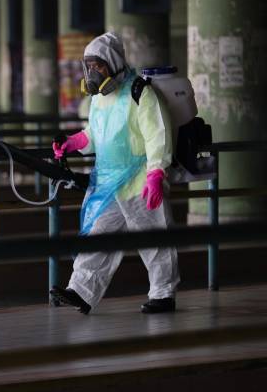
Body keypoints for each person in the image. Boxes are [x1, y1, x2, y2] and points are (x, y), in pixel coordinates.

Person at [50, 32, 179, 315]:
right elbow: (94, 135)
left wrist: (156, 173)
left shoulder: (139, 93)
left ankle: (163, 294)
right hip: (109, 184)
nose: (92, 72)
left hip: (139, 181)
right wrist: (73, 142)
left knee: (154, 238)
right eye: (88, 66)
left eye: (98, 65)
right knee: (98, 236)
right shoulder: (99, 99)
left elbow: (158, 134)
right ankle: (80, 291)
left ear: (113, 63)